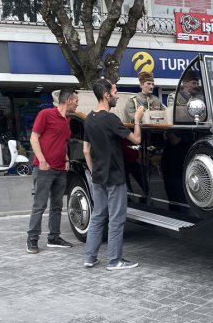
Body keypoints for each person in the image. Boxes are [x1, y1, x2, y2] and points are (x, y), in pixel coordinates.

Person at [83, 79, 144, 270]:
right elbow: (136, 139)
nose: (117, 95)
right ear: (106, 94)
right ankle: (114, 261)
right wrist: (137, 119)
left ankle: (90, 257)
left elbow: (86, 150)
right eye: (115, 91)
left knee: (98, 216)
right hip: (115, 176)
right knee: (116, 219)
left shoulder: (89, 118)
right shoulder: (110, 119)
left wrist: (94, 172)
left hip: (99, 177)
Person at [26, 88, 79, 254]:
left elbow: (62, 142)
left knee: (57, 205)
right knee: (40, 205)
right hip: (44, 168)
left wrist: (67, 159)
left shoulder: (67, 120)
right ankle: (32, 239)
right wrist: (41, 159)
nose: (77, 104)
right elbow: (34, 137)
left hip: (60, 169)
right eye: (76, 101)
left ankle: (53, 237)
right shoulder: (46, 114)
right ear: (68, 100)